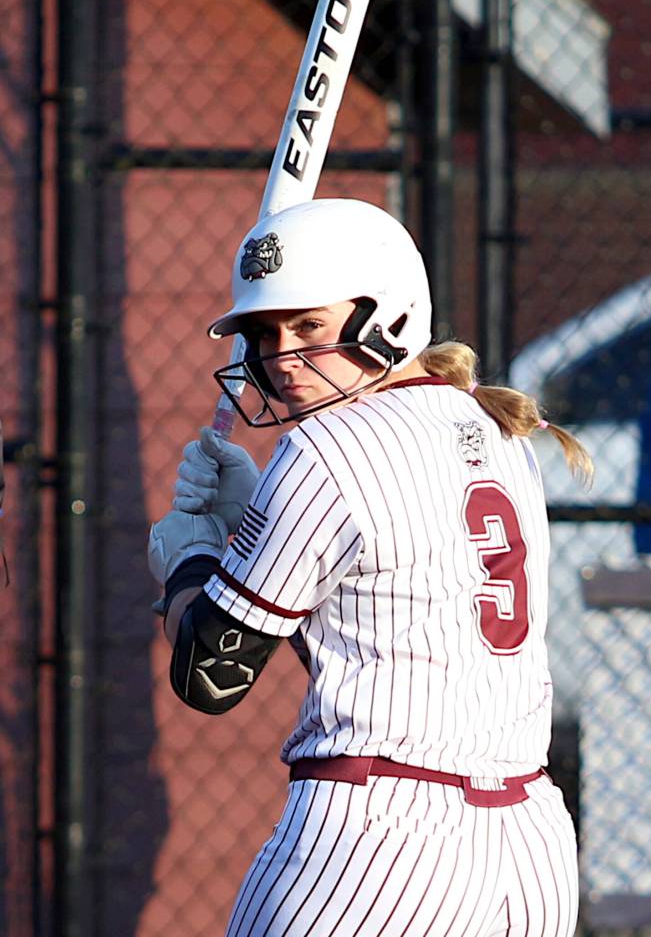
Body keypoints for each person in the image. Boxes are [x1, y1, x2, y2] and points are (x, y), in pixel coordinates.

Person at [148, 198, 593, 937]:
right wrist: (260, 516)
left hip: (374, 837)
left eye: (308, 325)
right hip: (530, 842)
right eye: (264, 332)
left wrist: (189, 561)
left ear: (386, 313)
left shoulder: (324, 448)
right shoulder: (493, 425)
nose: (281, 357)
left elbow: (209, 674)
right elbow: (380, 605)